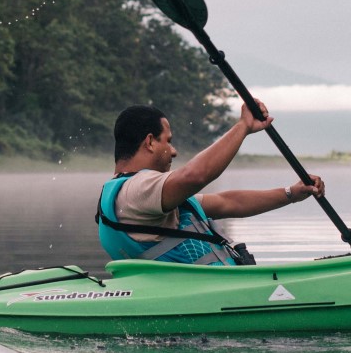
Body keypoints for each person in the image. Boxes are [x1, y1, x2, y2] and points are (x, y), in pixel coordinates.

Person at [97, 102, 326, 265]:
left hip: (211, 292)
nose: (174, 151)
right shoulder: (136, 190)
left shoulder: (143, 195)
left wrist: (291, 193)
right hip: (212, 297)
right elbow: (195, 176)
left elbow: (229, 202)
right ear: (150, 142)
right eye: (168, 141)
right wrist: (243, 126)